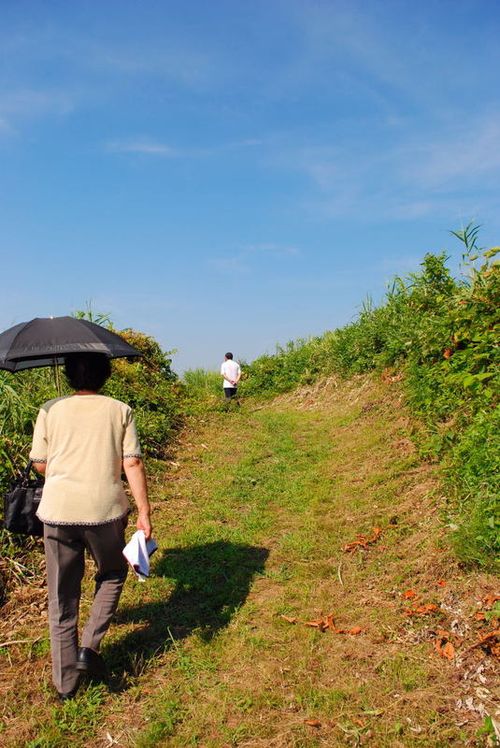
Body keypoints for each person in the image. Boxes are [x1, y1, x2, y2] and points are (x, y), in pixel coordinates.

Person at [30, 352, 152, 701]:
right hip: (105, 510)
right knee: (112, 574)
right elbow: (132, 462)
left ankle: (65, 685)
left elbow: (39, 465)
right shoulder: (120, 409)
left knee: (62, 596)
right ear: (106, 374)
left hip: (57, 512)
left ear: (68, 375)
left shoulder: (49, 409)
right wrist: (144, 512)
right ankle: (90, 647)